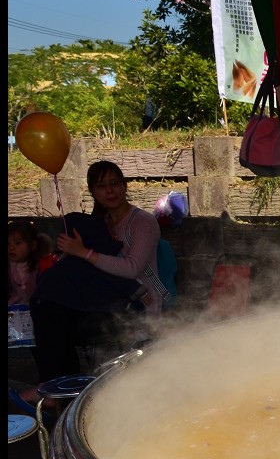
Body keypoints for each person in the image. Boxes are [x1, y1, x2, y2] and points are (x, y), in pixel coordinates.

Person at [25, 160, 168, 395]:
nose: (110, 191)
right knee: (48, 311)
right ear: (93, 192)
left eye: (115, 184)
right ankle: (60, 390)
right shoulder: (97, 224)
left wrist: (83, 253)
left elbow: (132, 268)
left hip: (138, 304)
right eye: (102, 186)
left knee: (56, 323)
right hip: (101, 300)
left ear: (124, 187)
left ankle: (55, 389)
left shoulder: (142, 222)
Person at [8, 220, 56, 305]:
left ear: (33, 245)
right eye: (8, 244)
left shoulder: (43, 266)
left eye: (17, 243)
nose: (11, 248)